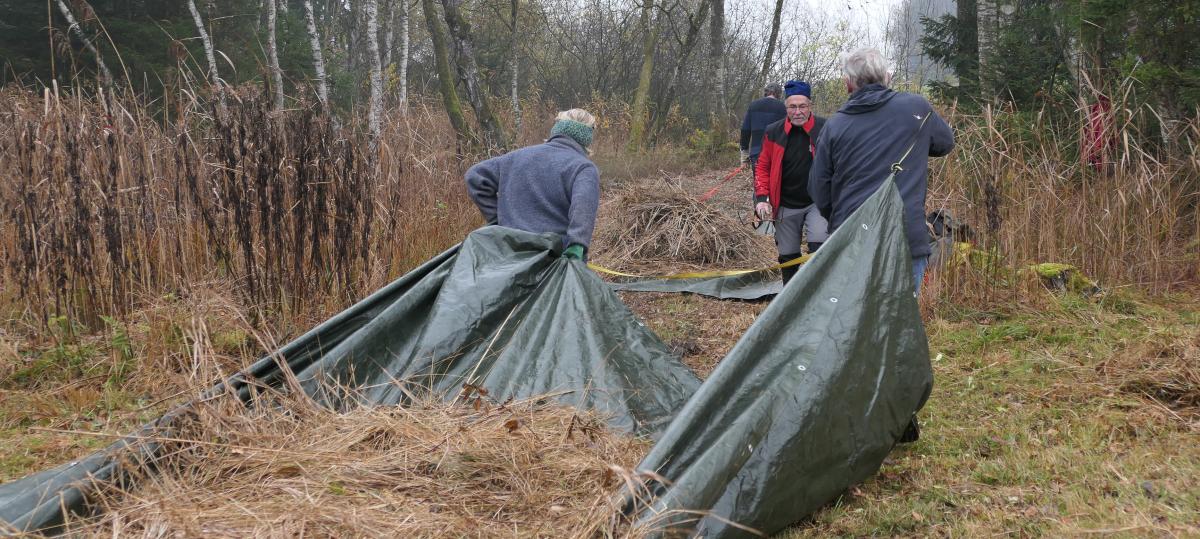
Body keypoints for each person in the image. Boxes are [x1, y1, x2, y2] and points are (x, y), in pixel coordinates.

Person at [809, 48, 954, 295]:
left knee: (854, 321)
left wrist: (839, 220)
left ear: (848, 84)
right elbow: (945, 143)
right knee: (901, 324)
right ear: (887, 77)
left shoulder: (834, 126)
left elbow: (818, 188)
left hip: (852, 239)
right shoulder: (916, 108)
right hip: (905, 239)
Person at [465, 109, 600, 261]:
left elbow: (475, 176)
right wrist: (576, 246)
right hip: (552, 261)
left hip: (506, 255)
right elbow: (583, 209)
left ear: (557, 128)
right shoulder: (583, 168)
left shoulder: (517, 157)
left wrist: (499, 220)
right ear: (587, 136)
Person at [753, 80, 828, 284]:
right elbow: (762, 167)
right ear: (785, 107)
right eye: (792, 107)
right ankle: (790, 299)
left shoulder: (825, 128)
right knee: (788, 256)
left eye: (802, 106)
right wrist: (762, 198)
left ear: (810, 106)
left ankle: (818, 294)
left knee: (819, 247)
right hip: (785, 202)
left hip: (817, 202)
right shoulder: (773, 131)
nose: (797, 112)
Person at [739, 83, 788, 168]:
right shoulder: (783, 108)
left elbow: (745, 131)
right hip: (777, 155)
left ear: (765, 92)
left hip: (757, 154)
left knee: (759, 181)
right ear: (779, 93)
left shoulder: (753, 105)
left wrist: (744, 156)